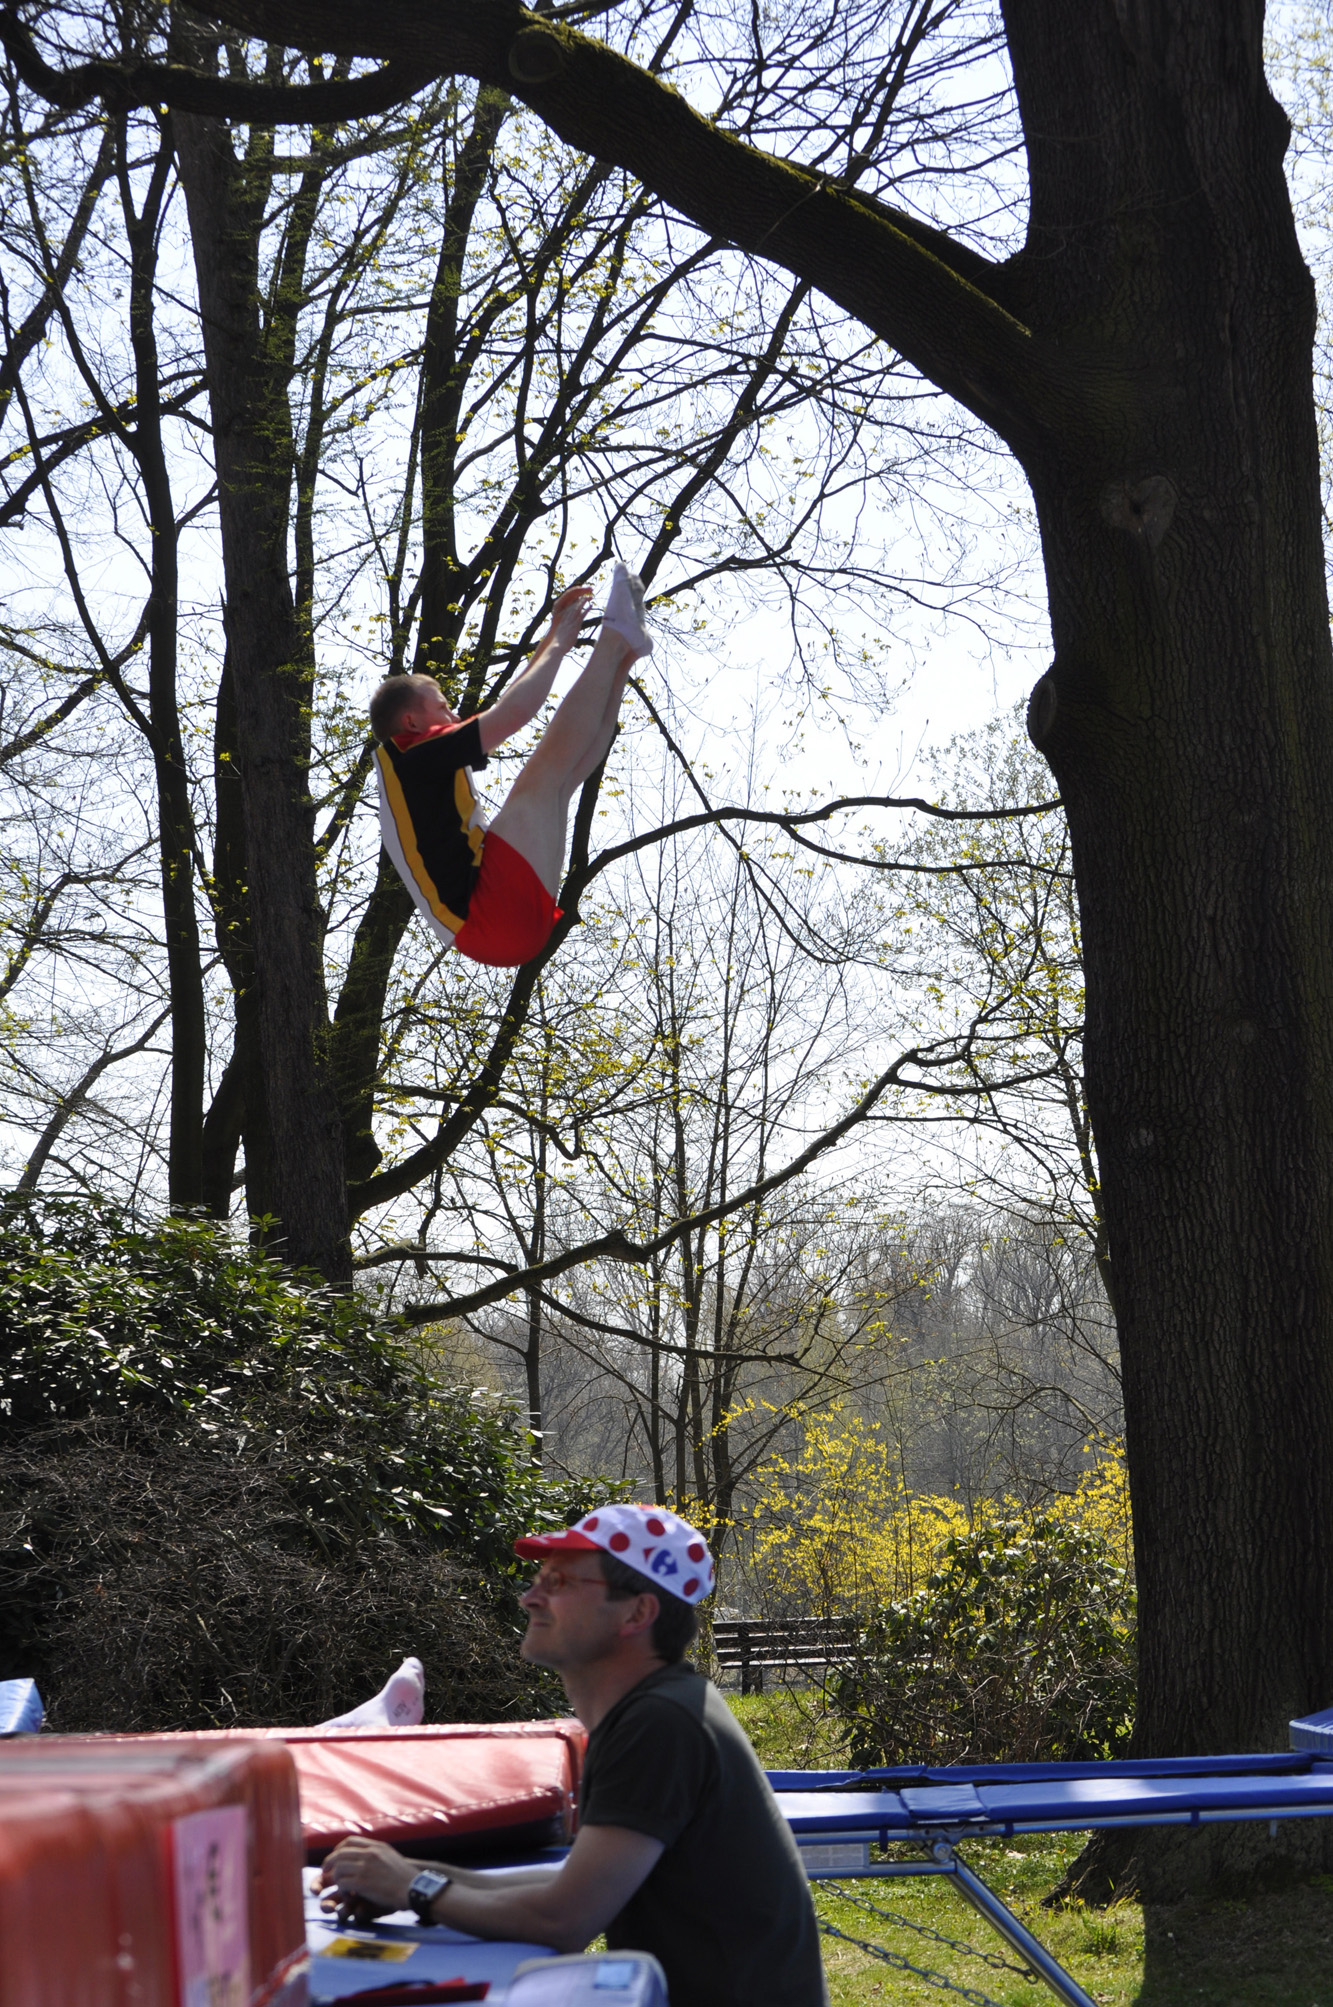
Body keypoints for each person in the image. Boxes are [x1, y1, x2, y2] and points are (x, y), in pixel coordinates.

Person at [318, 1502, 829, 2007]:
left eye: (558, 1582)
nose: (529, 1598)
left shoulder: (659, 1723)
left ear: (637, 1612)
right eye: (540, 1579)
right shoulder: (661, 1706)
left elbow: (563, 1920)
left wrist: (415, 1888)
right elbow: (575, 1886)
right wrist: (412, 1875)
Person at [370, 565, 652, 969]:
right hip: (489, 916)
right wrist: (560, 642)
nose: (453, 715)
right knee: (544, 777)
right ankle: (614, 640)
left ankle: (622, 655)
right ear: (411, 722)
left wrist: (553, 635)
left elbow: (512, 699)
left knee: (562, 782)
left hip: (501, 933)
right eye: (442, 706)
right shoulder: (416, 757)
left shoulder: (413, 765)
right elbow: (515, 711)